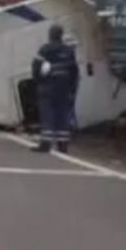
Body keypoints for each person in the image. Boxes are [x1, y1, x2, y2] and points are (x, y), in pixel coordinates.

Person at [31, 24, 79, 153]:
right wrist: (72, 89)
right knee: (62, 115)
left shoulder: (44, 50)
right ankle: (62, 145)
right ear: (61, 35)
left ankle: (46, 143)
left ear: (50, 35)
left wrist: (38, 82)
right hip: (63, 88)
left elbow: (36, 68)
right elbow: (74, 71)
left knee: (47, 114)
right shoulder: (69, 51)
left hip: (47, 87)